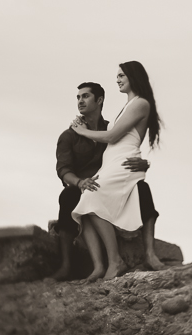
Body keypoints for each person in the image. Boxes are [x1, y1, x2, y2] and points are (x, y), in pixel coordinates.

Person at [71, 61, 165, 280]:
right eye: (117, 76)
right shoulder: (128, 106)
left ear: (134, 76)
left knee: (91, 196)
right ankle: (105, 264)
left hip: (125, 163)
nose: (118, 79)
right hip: (113, 163)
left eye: (122, 75)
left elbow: (112, 137)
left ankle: (115, 262)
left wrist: (81, 131)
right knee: (85, 204)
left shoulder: (141, 103)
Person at [49, 81, 152, 281]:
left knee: (142, 187)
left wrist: (143, 164)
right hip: (83, 185)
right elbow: (63, 170)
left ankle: (151, 254)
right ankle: (66, 265)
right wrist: (79, 182)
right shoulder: (69, 136)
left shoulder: (111, 128)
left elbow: (127, 149)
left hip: (111, 183)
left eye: (85, 96)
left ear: (100, 100)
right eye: (78, 97)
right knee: (69, 196)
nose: (80, 101)